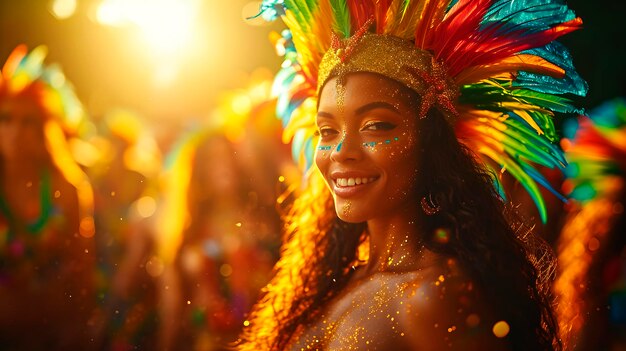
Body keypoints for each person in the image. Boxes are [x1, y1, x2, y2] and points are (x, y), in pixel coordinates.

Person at [237, 0, 587, 350]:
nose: (342, 151)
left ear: (430, 144)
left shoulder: (435, 296)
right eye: (327, 131)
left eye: (376, 125)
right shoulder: (328, 283)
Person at [0, 45, 97, 349]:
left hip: (53, 334)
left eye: (27, 121)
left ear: (44, 129)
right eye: (6, 119)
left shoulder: (68, 189)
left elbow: (83, 272)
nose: (15, 131)